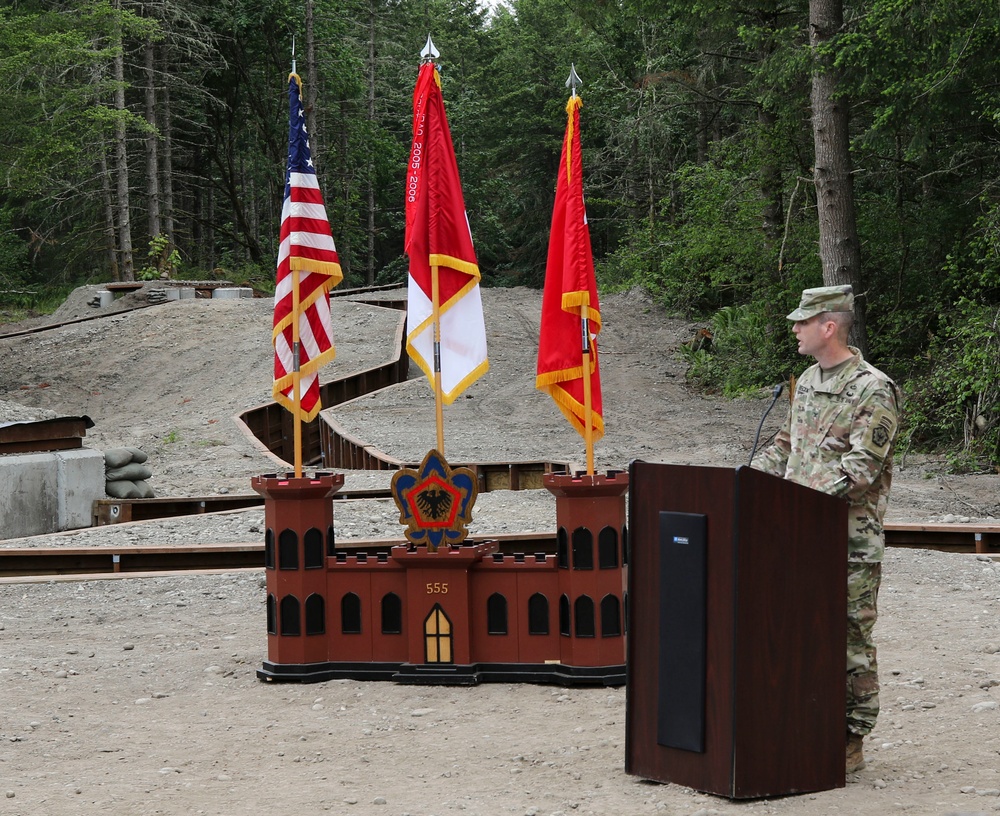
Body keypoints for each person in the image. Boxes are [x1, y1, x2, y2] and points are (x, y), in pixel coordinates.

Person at [752, 284, 901, 774]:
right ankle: (803, 719)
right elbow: (785, 446)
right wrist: (744, 480)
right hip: (797, 533)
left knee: (849, 636)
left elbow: (862, 468)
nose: (794, 329)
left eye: (802, 322)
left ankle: (851, 736)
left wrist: (802, 504)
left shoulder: (872, 388)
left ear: (828, 327)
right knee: (797, 629)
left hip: (847, 539)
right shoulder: (809, 380)